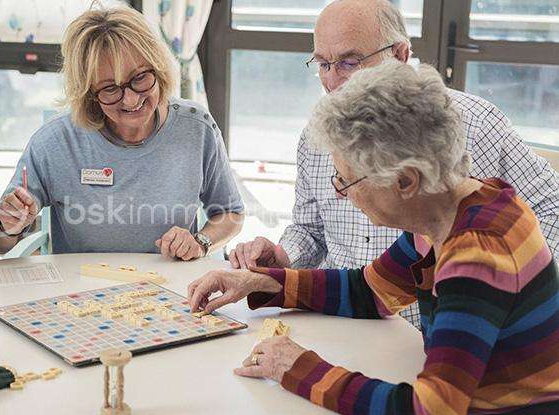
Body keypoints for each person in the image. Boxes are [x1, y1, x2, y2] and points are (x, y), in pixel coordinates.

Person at [189, 61, 559, 415]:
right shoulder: (446, 211)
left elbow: (429, 412)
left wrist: (299, 367)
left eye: (346, 180)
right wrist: (261, 281)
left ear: (405, 181)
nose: (339, 194)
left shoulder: (476, 255)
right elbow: (373, 291)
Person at [229, 0, 559, 329]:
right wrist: (280, 263)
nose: (331, 81)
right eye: (323, 64)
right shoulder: (323, 136)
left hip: (435, 324)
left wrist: (511, 288)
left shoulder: (473, 124)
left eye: (348, 62)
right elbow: (318, 239)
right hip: (345, 308)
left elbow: (550, 210)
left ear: (400, 55)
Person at [0, 6, 244, 259]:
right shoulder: (55, 141)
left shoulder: (196, 128)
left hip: (169, 282)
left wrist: (200, 242)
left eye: (140, 78)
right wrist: (8, 226)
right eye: (110, 88)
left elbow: (230, 213)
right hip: (82, 291)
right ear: (89, 94)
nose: (130, 100)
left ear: (159, 68)